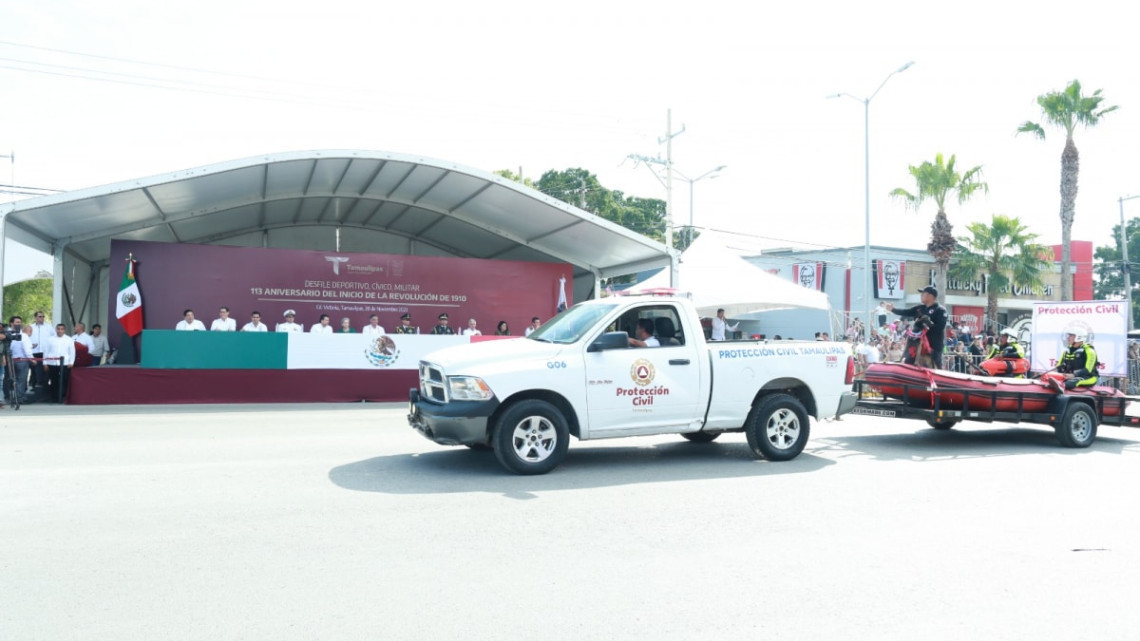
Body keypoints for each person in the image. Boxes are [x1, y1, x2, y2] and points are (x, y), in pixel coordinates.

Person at [885, 286, 948, 369]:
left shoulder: (940, 310)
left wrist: (929, 323)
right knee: (908, 362)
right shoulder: (919, 308)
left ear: (931, 296)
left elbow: (940, 327)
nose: (921, 295)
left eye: (923, 293)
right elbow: (906, 311)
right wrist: (893, 309)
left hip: (933, 345)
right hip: (917, 344)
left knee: (936, 366)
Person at [43, 323, 75, 403]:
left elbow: (72, 352)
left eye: (61, 329)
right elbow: (46, 351)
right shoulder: (50, 339)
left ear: (64, 330)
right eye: (58, 329)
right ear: (56, 329)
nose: (60, 331)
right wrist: (45, 363)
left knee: (65, 380)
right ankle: (54, 397)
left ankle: (64, 397)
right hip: (52, 363)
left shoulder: (69, 339)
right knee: (54, 381)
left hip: (65, 364)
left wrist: (71, 362)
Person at [8, 324, 33, 403]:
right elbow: (27, 350)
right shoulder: (25, 337)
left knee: (13, 380)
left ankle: (12, 397)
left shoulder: (12, 336)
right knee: (21, 380)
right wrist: (32, 359)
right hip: (22, 361)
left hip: (12, 361)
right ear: (30, 331)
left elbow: (10, 348)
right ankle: (19, 398)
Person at [29, 311, 49, 391]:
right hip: (34, 352)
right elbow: (26, 338)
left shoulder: (49, 327)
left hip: (45, 352)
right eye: (40, 316)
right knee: (34, 370)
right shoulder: (30, 327)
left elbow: (52, 338)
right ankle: (33, 386)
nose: (42, 318)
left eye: (43, 316)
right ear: (35, 318)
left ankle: (44, 387)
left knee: (45, 370)